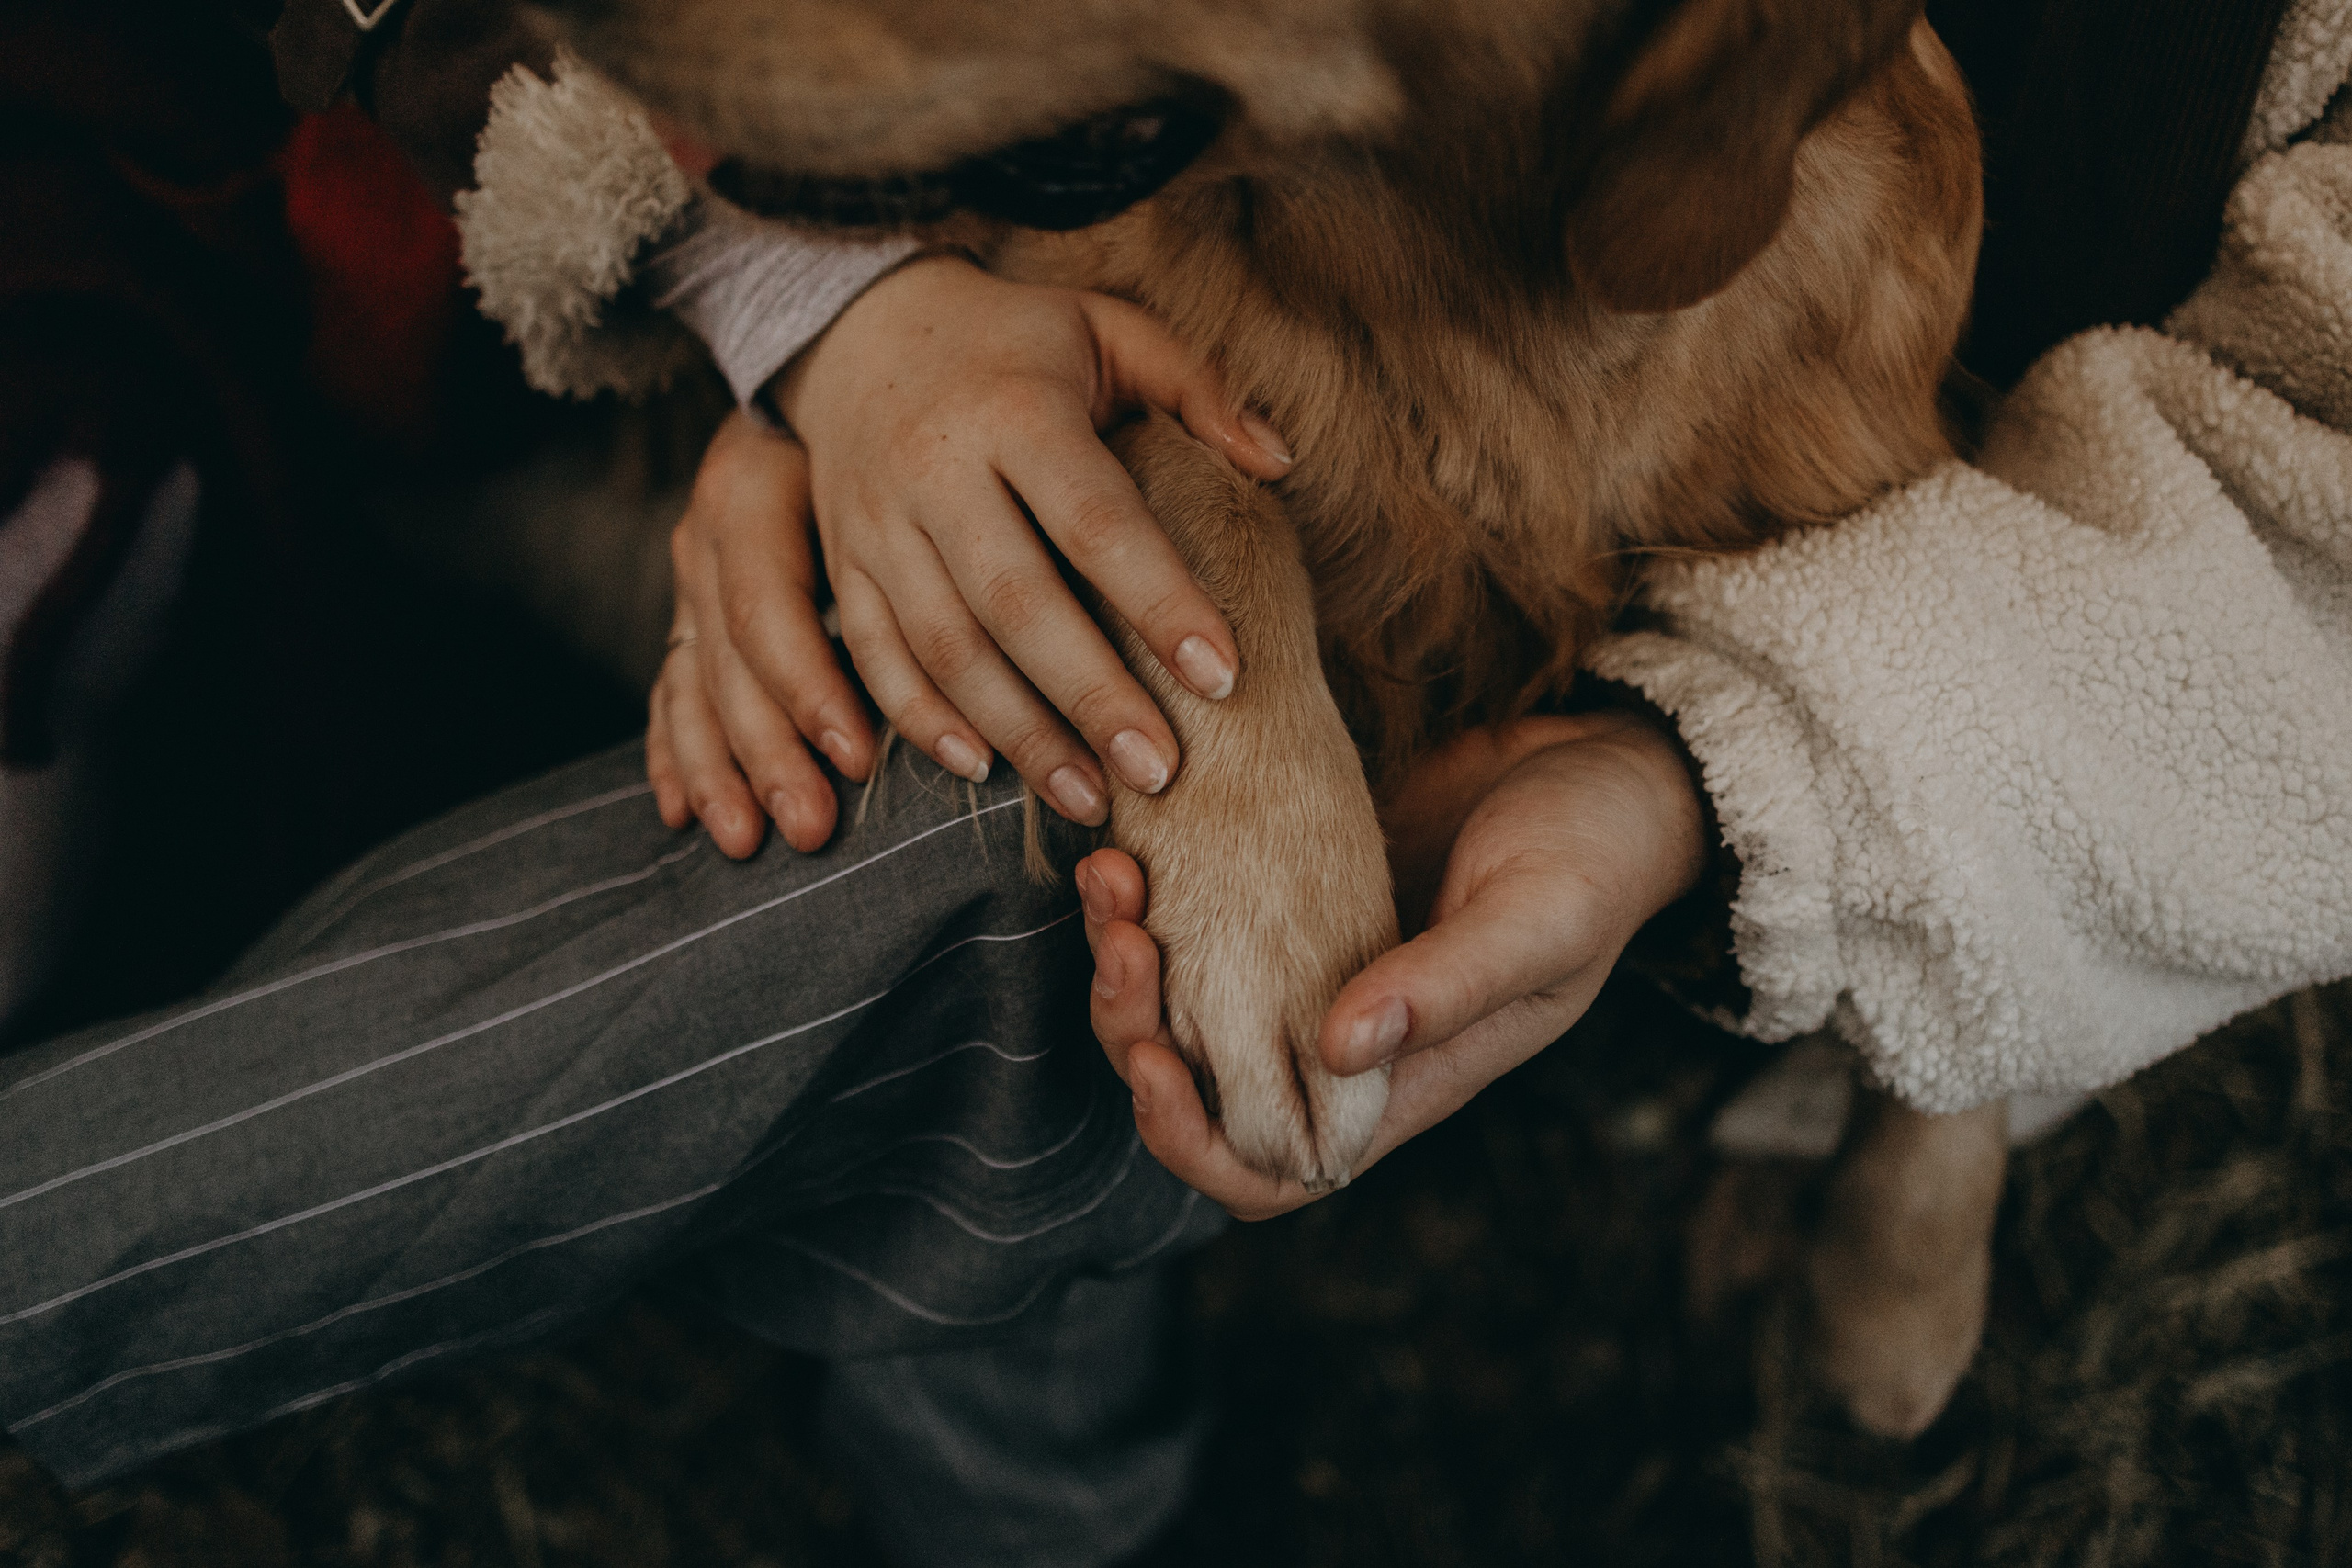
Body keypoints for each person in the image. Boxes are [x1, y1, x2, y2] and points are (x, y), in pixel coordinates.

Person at [5, 5, 2350, 1568]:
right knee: (1039, 819)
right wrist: (805, 329)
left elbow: (2282, 584)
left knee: (1010, 865)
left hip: (1922, 751)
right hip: (684, 387)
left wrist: (1723, 810)